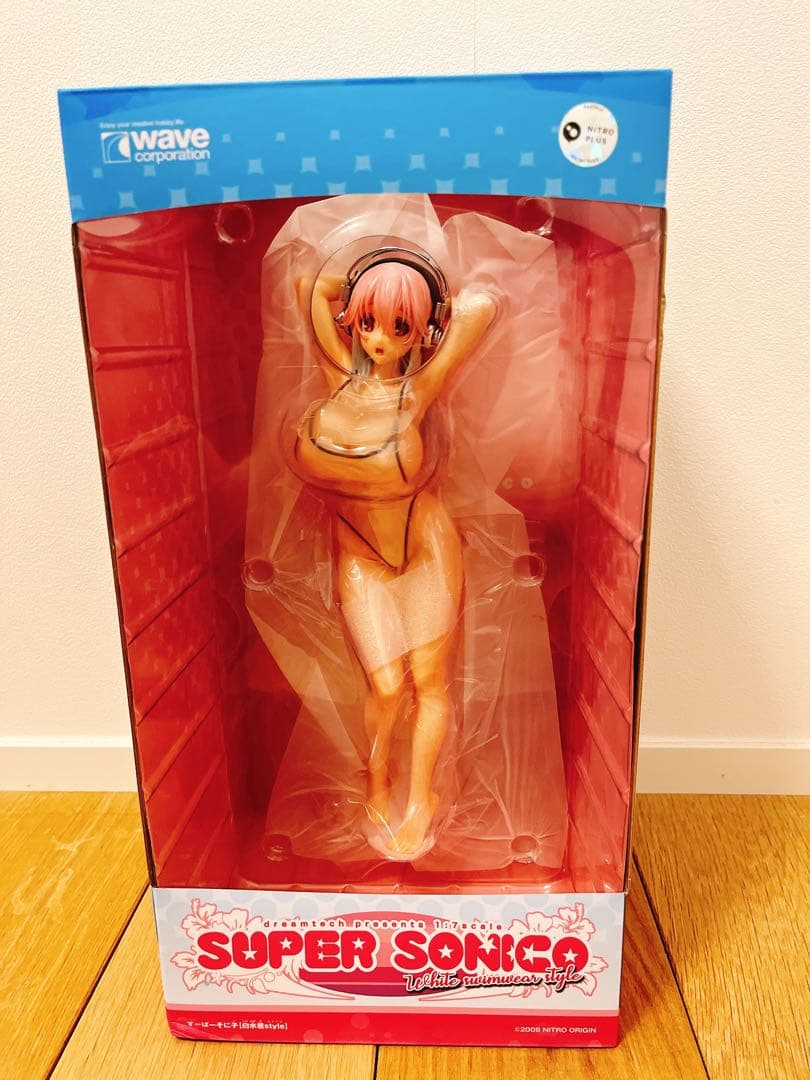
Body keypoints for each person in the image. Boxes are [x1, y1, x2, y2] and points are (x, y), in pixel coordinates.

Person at [290, 253, 495, 856]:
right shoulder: (336, 376)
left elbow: (481, 307)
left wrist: (428, 296)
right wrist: (367, 280)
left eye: (399, 327)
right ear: (352, 320)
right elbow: (308, 285)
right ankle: (375, 783)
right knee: (383, 685)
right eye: (368, 322)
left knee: (429, 682)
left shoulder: (417, 390)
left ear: (420, 332)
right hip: (358, 549)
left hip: (423, 543)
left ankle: (422, 797)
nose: (380, 338)